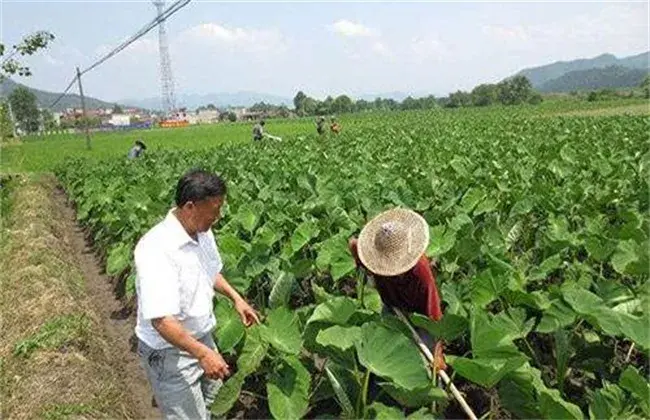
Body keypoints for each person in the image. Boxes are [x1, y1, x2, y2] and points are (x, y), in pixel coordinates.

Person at [134, 169, 260, 419]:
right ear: (190, 207)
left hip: (201, 336)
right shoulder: (156, 249)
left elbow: (210, 271)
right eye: (214, 209)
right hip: (170, 352)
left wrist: (236, 298)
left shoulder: (202, 232)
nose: (219, 216)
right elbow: (162, 321)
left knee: (214, 402)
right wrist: (202, 354)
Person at [348, 207, 446, 371]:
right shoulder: (374, 260)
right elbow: (355, 246)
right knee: (385, 355)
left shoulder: (420, 270)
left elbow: (433, 314)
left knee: (425, 365)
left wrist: (438, 352)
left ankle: (435, 393)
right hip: (393, 306)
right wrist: (356, 253)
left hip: (421, 316)